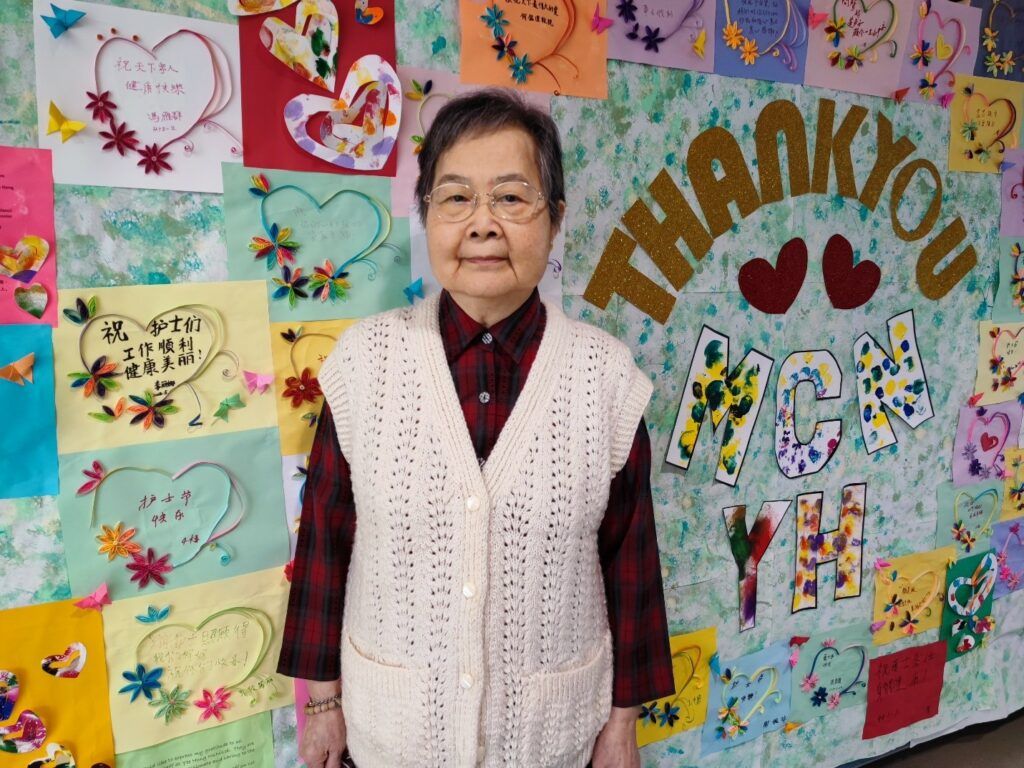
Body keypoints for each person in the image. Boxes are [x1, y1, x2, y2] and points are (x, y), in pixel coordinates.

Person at [277, 88, 674, 768]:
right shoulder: (364, 364)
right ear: (427, 215)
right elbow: (324, 541)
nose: (483, 224)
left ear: (555, 219)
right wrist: (321, 704)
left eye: (512, 198)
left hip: (551, 739)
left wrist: (621, 726)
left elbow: (631, 568)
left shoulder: (605, 378)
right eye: (456, 198)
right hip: (391, 734)